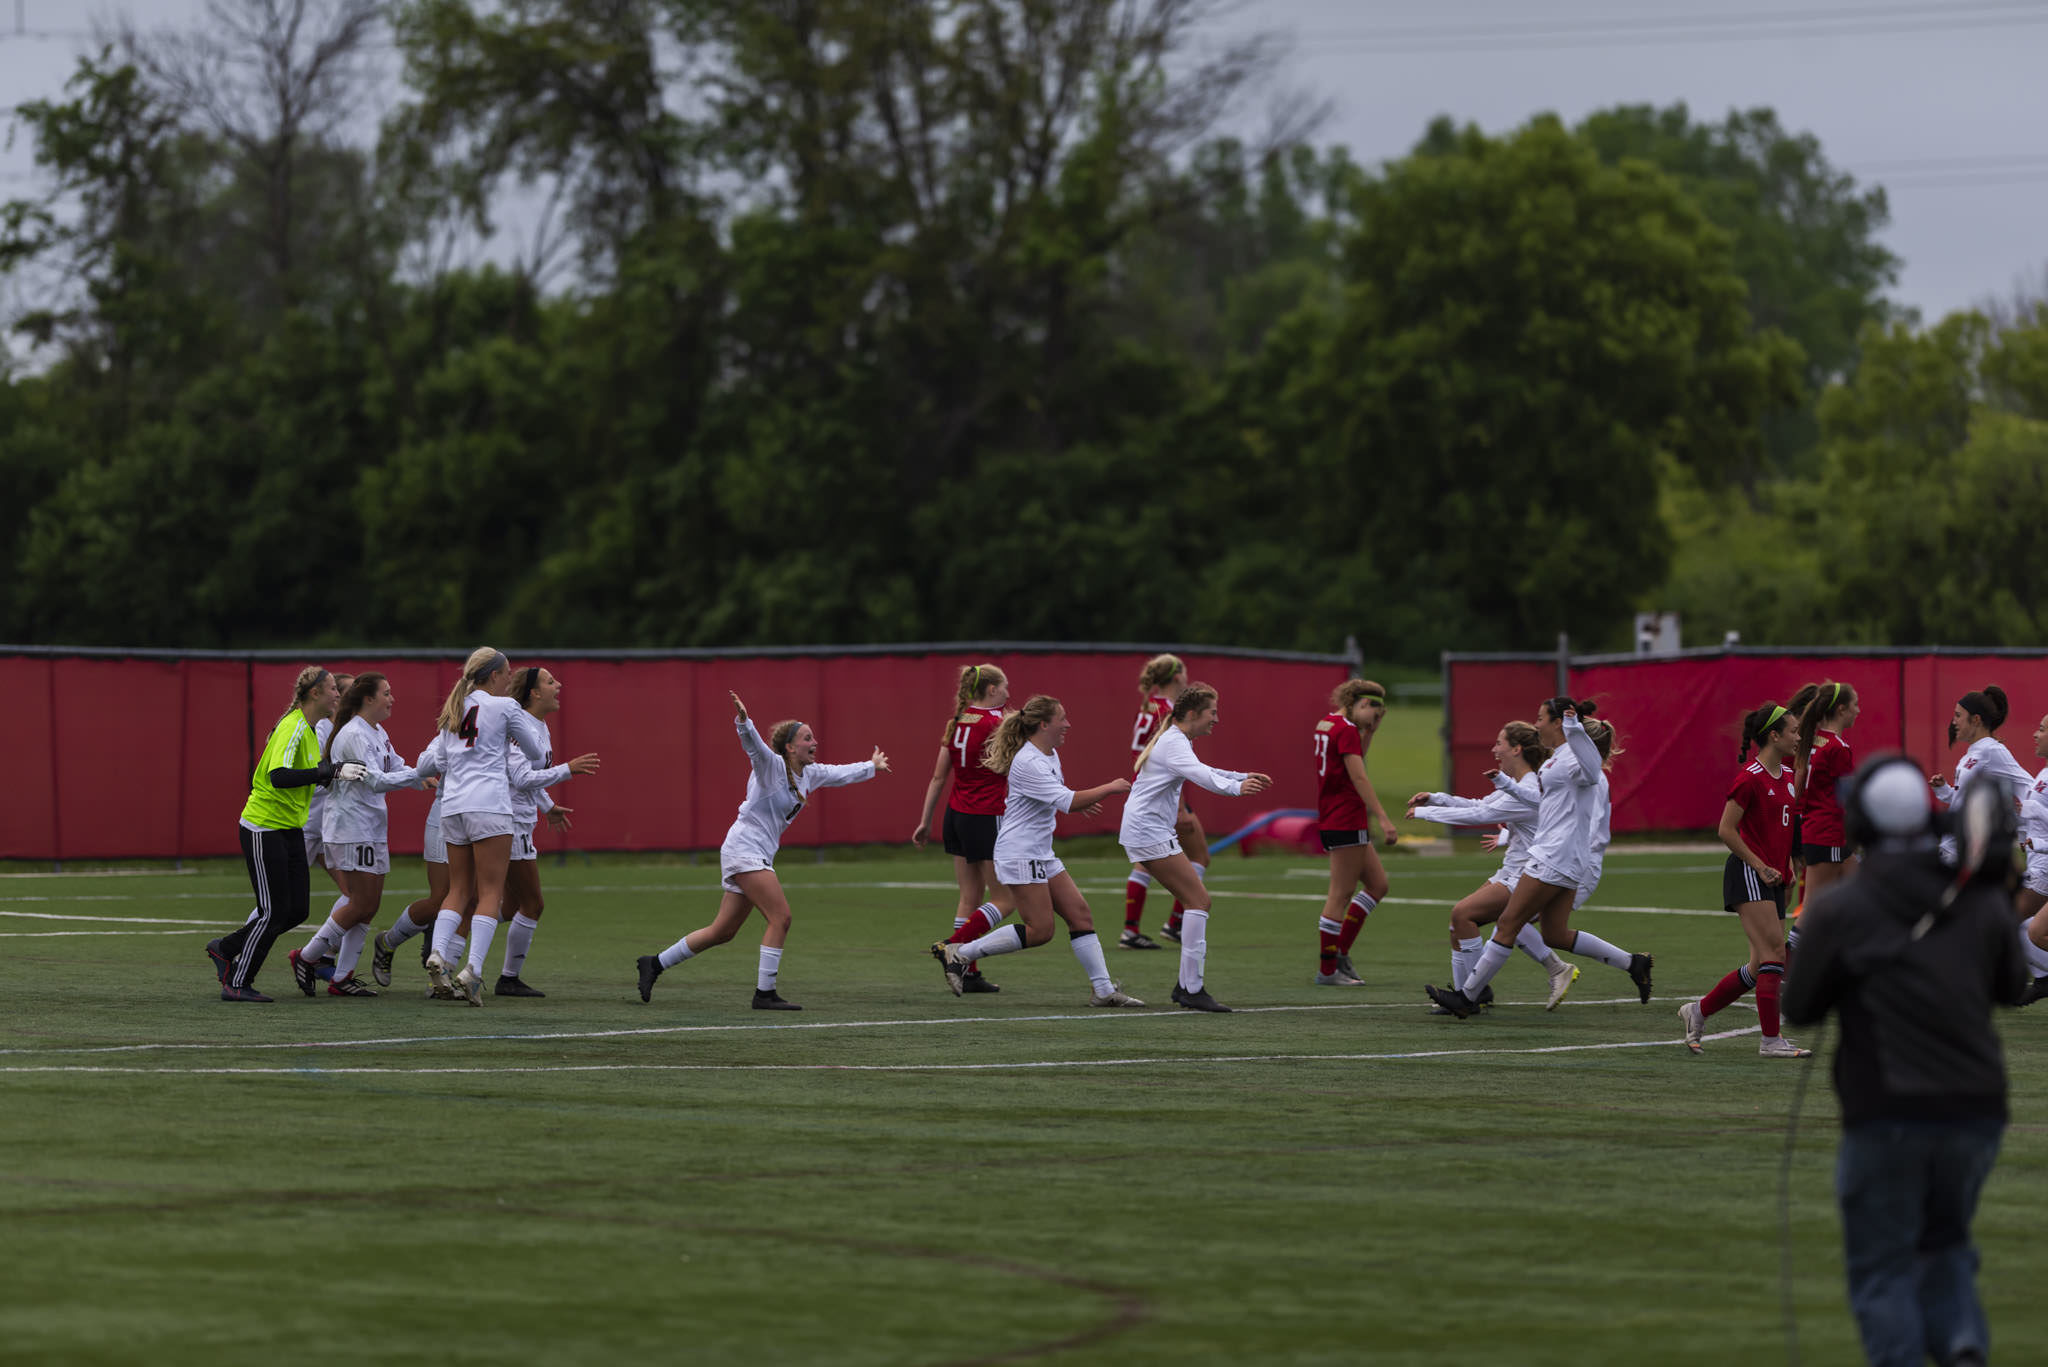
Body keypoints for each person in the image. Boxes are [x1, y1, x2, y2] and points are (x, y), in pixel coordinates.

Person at [1784, 756, 2028, 1367]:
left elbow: (1800, 1007)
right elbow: (2012, 985)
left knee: (1883, 1265)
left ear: (1862, 823)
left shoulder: (1844, 907)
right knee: (1946, 1244)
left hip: (1886, 1110)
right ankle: (1963, 1347)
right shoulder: (1976, 898)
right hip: (1977, 1109)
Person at [638, 691, 887, 1010]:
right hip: (744, 849)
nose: (814, 742)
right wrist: (744, 722)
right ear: (789, 747)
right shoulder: (771, 766)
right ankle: (764, 994)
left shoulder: (809, 773)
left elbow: (839, 773)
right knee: (781, 917)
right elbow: (753, 746)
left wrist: (872, 765)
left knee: (722, 932)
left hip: (754, 854)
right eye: (807, 738)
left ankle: (654, 963)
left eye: (814, 737)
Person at [1425, 698, 1651, 1018]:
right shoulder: (1556, 760)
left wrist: (1574, 729)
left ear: (1558, 722)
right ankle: (1634, 963)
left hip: (1555, 857)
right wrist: (1503, 783)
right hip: (1562, 857)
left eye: (1541, 718)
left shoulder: (1577, 759)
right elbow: (1543, 804)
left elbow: (1590, 771)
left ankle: (1468, 996)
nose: (1537, 724)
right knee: (1553, 934)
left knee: (1507, 924)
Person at [931, 696, 1141, 1006]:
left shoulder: (1049, 754)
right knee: (1041, 930)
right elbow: (1067, 802)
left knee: (1080, 915)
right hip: (1020, 852)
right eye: (1062, 719)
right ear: (1044, 724)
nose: (1067, 724)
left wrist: (1078, 801)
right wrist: (1109, 788)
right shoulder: (1028, 761)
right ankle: (960, 952)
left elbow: (1060, 798)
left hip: (1039, 851)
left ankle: (1104, 991)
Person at [428, 648, 593, 1006]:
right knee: (490, 894)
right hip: (490, 807)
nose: (509, 679)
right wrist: (505, 735)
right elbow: (532, 754)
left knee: (458, 891)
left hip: (453, 807)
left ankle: (438, 955)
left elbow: (439, 759)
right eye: (505, 674)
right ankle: (472, 971)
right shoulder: (504, 708)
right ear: (493, 676)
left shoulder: (453, 709)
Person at [205, 667, 363, 1001]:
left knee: (296, 910)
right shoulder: (294, 727)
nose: (339, 695)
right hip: (264, 827)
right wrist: (327, 771)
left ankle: (225, 947)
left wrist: (328, 775)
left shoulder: (308, 729)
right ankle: (237, 983)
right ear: (315, 693)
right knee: (272, 911)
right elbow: (279, 776)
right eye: (334, 688)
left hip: (289, 828)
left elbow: (303, 776)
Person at [1119, 683, 1271, 1012]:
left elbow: (1204, 769)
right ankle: (1190, 988)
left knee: (1196, 900)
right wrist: (1237, 788)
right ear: (1191, 714)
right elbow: (1200, 774)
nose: (1216, 719)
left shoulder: (1176, 738)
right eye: (1212, 713)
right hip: (1147, 831)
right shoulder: (1174, 741)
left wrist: (1242, 775)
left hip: (1148, 829)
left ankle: (1187, 986)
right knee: (1198, 899)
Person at [1406, 721, 1579, 1009]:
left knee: (1463, 914)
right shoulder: (1516, 786)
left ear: (1516, 749)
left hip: (1530, 873)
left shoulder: (1528, 787)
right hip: (1513, 870)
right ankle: (1467, 994)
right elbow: (1479, 804)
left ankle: (1471, 996)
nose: (1493, 749)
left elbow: (1480, 814)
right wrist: (1437, 798)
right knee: (1458, 925)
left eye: (1499, 743)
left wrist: (1426, 812)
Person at [1677, 702, 1813, 1058]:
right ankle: (1770, 1042)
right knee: (1773, 955)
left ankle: (1699, 1011)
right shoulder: (1749, 777)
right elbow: (1726, 829)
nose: (1798, 737)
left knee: (1759, 965)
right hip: (1748, 873)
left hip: (1771, 876)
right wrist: (1759, 864)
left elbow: (1783, 832)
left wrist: (1788, 872)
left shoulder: (1786, 776)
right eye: (1793, 731)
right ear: (1773, 735)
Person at [293, 673, 426, 997]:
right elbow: (376, 780)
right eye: (387, 693)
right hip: (350, 826)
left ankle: (342, 977)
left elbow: (394, 766)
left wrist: (421, 776)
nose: (392, 699)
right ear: (368, 699)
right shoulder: (352, 733)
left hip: (371, 826)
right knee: (358, 902)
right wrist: (422, 771)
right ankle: (306, 957)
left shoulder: (376, 731)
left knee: (369, 905)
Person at [911, 663, 1013, 993]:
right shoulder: (999, 723)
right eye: (1005, 687)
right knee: (1005, 898)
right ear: (992, 690)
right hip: (986, 815)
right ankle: (953, 947)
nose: (1009, 693)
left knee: (970, 897)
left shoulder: (956, 722)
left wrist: (925, 820)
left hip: (956, 815)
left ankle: (967, 973)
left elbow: (939, 776)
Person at [496, 666, 589, 997]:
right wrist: (567, 770)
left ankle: (450, 927)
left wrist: (547, 806)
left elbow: (527, 779)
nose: (558, 685)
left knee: (508, 907)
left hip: (517, 821)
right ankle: (507, 978)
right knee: (533, 904)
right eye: (550, 682)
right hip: (510, 823)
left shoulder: (538, 725)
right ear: (533, 693)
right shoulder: (521, 725)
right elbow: (520, 778)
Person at [1312, 680, 1399, 985]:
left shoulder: (1328, 723)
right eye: (1374, 713)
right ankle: (1327, 970)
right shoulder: (1346, 729)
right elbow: (1359, 777)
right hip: (1346, 818)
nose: (1376, 718)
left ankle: (1340, 954)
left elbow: (1353, 757)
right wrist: (1385, 818)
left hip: (1337, 817)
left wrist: (1370, 733)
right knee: (1340, 895)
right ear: (1362, 704)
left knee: (1378, 885)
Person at [1120, 654, 1209, 949]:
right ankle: (1175, 923)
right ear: (1176, 677)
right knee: (1199, 857)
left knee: (1146, 862)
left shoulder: (1148, 706)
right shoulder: (1168, 711)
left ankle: (1132, 929)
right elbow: (1172, 761)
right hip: (1164, 795)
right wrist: (1182, 807)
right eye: (1183, 670)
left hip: (1146, 790)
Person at [1930, 683, 2029, 866]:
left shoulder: (1992, 750)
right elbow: (1964, 801)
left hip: (1963, 851)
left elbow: (2029, 786)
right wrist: (1944, 790)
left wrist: (2025, 815)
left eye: (1958, 716)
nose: (1953, 722)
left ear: (1975, 720)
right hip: (1951, 845)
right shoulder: (1971, 754)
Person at [1794, 681, 1861, 907]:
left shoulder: (1814, 740)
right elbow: (1849, 799)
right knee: (1814, 908)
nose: (1858, 711)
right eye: (1855, 704)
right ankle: (1792, 944)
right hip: (1828, 833)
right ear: (1841, 709)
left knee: (1860, 897)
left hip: (1816, 829)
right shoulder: (1837, 747)